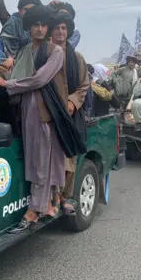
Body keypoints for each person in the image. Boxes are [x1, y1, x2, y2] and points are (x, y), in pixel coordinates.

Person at [0, 5, 69, 231]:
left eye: (43, 24)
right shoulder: (24, 51)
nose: (40, 28)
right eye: (35, 24)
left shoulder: (55, 52)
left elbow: (39, 80)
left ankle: (35, 210)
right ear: (29, 27)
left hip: (43, 112)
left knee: (41, 162)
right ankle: (48, 203)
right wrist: (3, 73)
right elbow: (19, 76)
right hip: (24, 111)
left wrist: (6, 83)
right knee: (34, 161)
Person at [48, 11, 91, 214]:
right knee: (51, 157)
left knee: (68, 157)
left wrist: (73, 102)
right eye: (57, 28)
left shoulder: (77, 57)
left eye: (64, 28)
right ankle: (53, 197)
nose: (60, 32)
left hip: (71, 114)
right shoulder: (44, 53)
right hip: (49, 112)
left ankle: (65, 196)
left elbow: (84, 85)